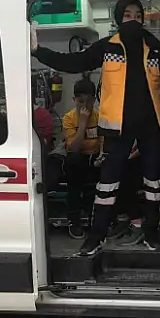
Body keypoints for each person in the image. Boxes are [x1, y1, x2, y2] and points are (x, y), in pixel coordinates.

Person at [31, 0, 160, 254]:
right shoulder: (107, 47)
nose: (133, 20)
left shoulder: (153, 47)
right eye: (128, 15)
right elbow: (72, 63)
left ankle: (151, 233)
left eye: (137, 15)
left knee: (154, 183)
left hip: (151, 126)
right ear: (119, 19)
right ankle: (95, 237)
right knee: (107, 185)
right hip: (117, 128)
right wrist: (37, 51)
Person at [62, 75, 101, 239]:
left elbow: (105, 142)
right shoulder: (69, 118)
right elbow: (74, 148)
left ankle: (98, 220)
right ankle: (74, 220)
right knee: (74, 163)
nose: (85, 106)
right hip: (78, 160)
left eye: (89, 102)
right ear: (74, 100)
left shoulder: (100, 117)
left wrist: (101, 156)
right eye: (80, 102)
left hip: (96, 159)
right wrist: (83, 123)